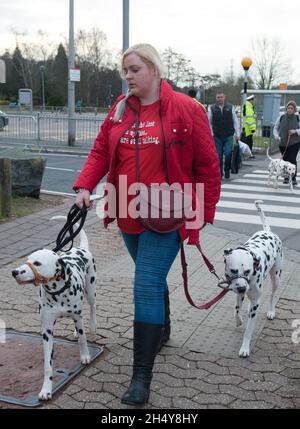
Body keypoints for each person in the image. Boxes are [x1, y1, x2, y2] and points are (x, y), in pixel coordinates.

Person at [73, 43, 221, 406]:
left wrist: (200, 215)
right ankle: (163, 328)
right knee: (149, 277)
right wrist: (83, 186)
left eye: (134, 69)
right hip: (127, 210)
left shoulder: (187, 109)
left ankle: (141, 378)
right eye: (125, 70)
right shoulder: (120, 110)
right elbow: (100, 153)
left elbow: (208, 167)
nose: (128, 76)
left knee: (145, 284)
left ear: (154, 70)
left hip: (167, 216)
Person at [208, 91, 240, 179]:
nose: (220, 99)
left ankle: (227, 170)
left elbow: (235, 121)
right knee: (218, 155)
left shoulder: (230, 107)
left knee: (228, 153)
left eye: (221, 97)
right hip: (217, 136)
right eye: (218, 97)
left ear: (224, 97)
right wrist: (211, 133)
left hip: (228, 135)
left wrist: (238, 133)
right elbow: (209, 122)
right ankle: (220, 172)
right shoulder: (212, 108)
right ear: (216, 98)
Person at [273, 100, 300, 185]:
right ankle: (286, 177)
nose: (290, 110)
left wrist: (295, 131)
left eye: (292, 108)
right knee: (285, 160)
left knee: (292, 159)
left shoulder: (297, 117)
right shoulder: (281, 117)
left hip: (295, 142)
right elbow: (275, 128)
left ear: (294, 109)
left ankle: (293, 177)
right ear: (286, 109)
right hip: (283, 143)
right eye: (288, 108)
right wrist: (276, 136)